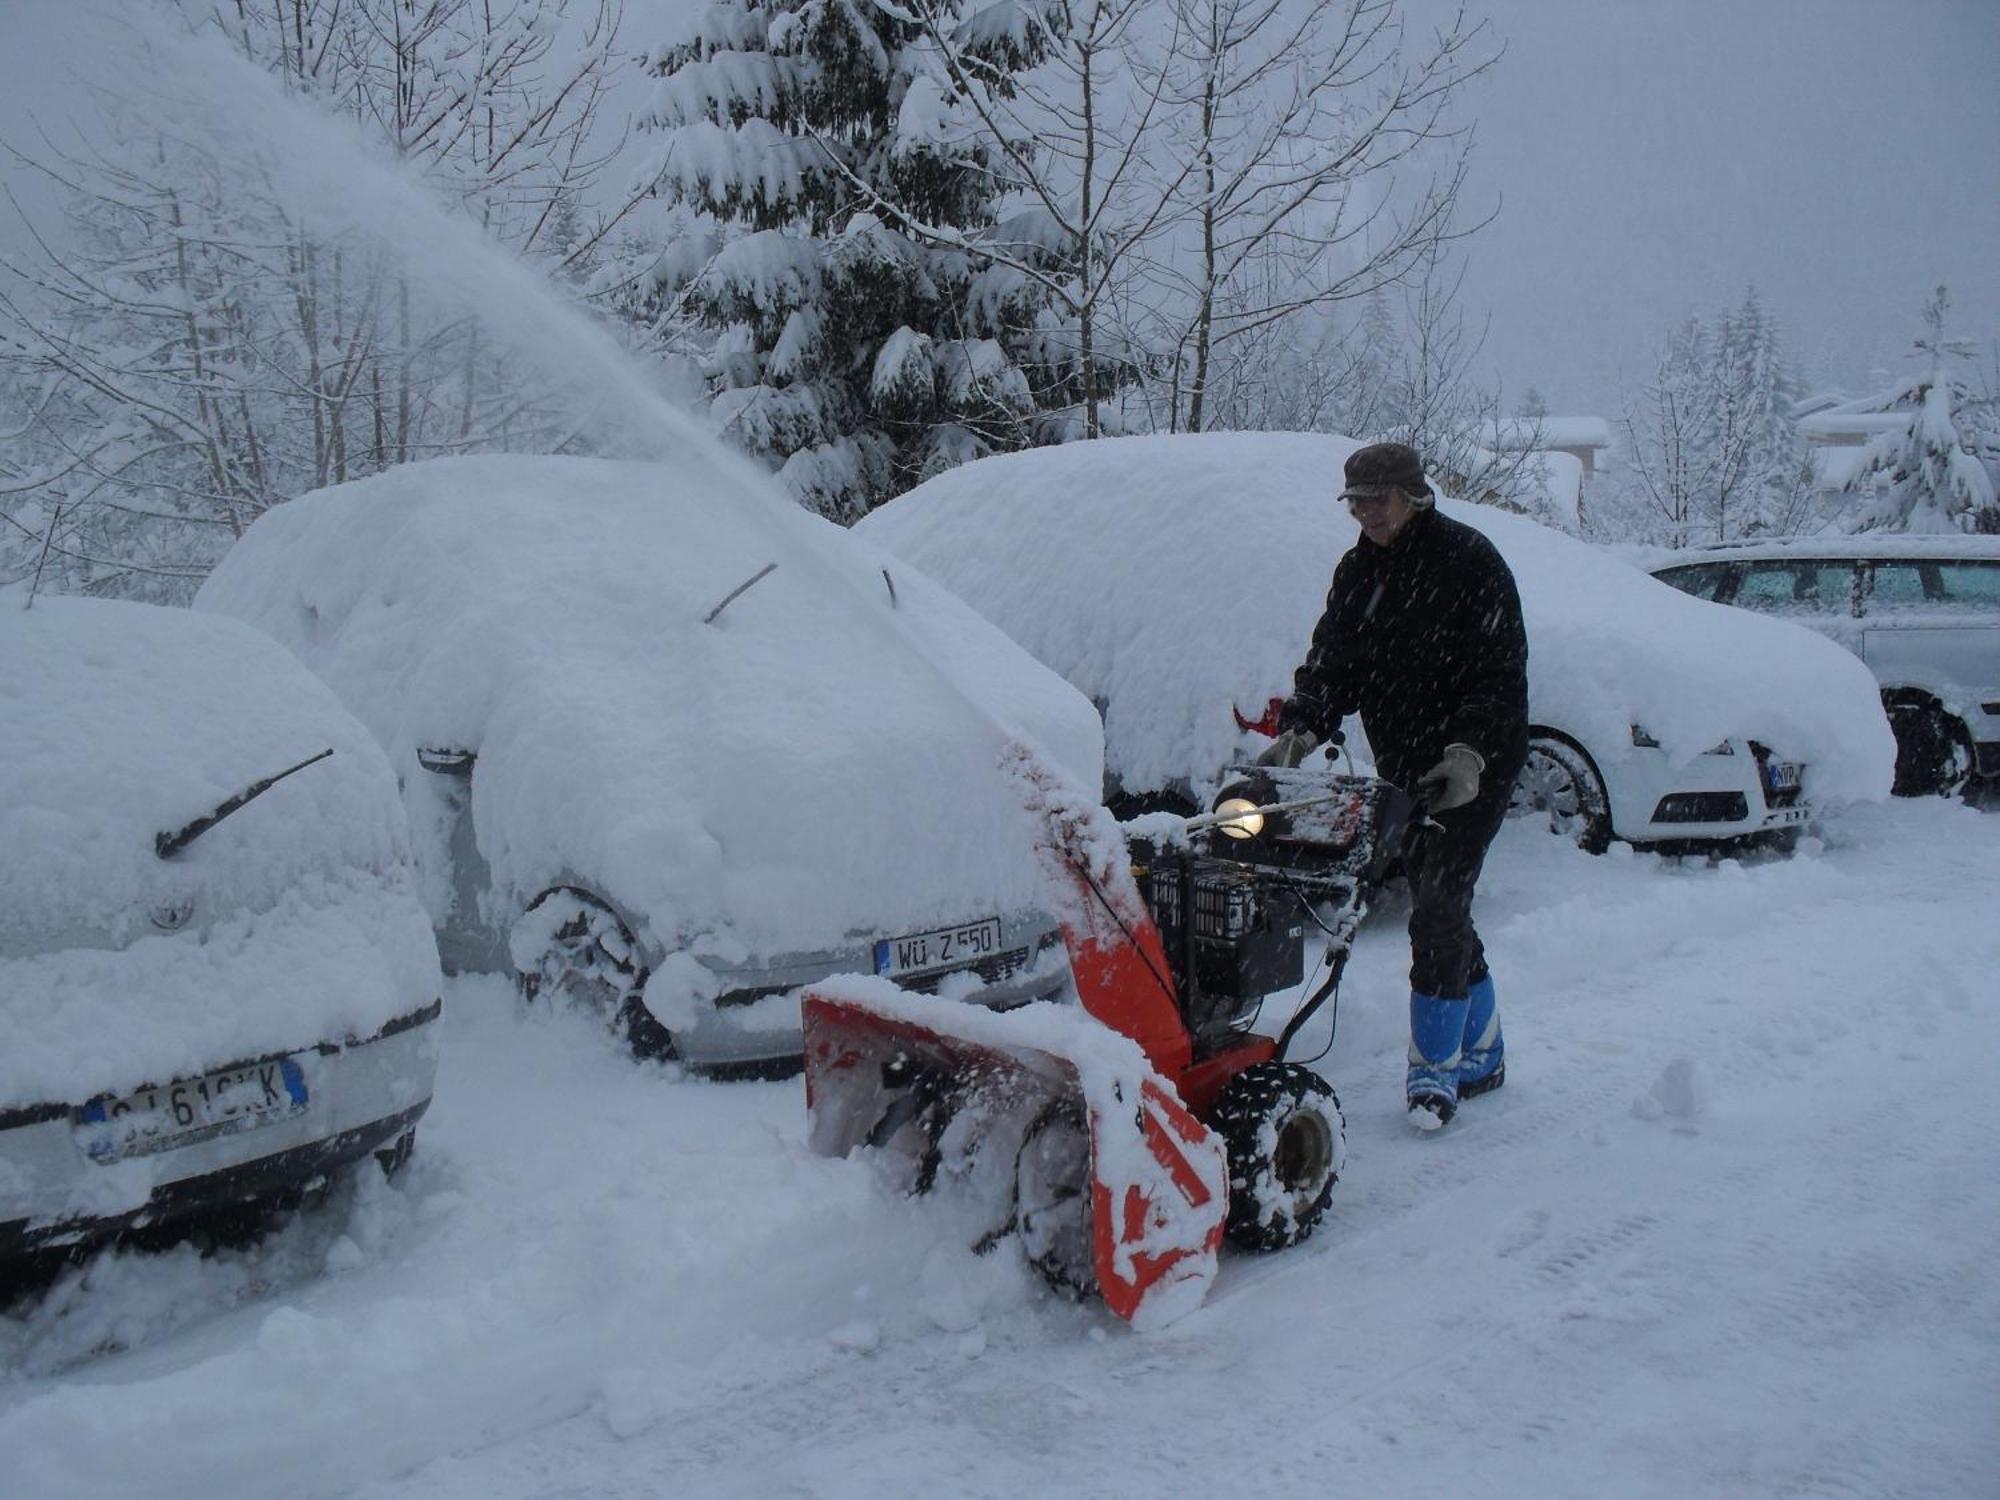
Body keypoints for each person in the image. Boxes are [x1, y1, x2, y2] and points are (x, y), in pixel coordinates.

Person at [1261, 441, 1529, 1129]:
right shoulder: (1359, 571)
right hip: (1405, 765)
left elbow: (1498, 674)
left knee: (1436, 903)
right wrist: (1305, 721)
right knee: (1446, 904)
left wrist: (1467, 753)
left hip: (1476, 765)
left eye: (1378, 499)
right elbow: (1334, 660)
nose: (1367, 513)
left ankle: (1433, 1071)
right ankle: (1485, 1048)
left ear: (1413, 494)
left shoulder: (1471, 561)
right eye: (1356, 501)